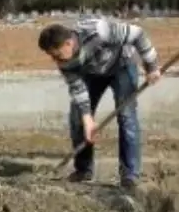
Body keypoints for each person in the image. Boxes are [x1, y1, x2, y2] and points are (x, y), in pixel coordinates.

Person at [38, 17, 161, 190]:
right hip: (92, 72)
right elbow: (77, 88)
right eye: (51, 56)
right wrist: (87, 119)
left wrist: (152, 65)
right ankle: (83, 169)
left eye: (56, 54)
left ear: (68, 43)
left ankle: (129, 175)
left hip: (121, 65)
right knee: (78, 118)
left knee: (126, 116)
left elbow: (137, 34)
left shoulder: (99, 31)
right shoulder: (64, 61)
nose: (55, 60)